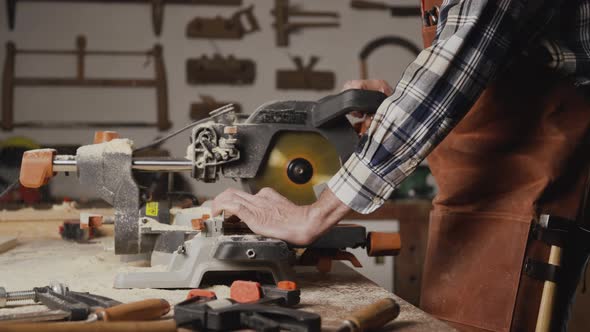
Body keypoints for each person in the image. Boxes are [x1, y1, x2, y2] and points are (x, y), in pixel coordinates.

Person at [213, 0, 590, 331]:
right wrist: (397, 108)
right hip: (470, 201)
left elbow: (453, 69)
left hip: (530, 202)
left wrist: (315, 214)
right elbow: (477, 82)